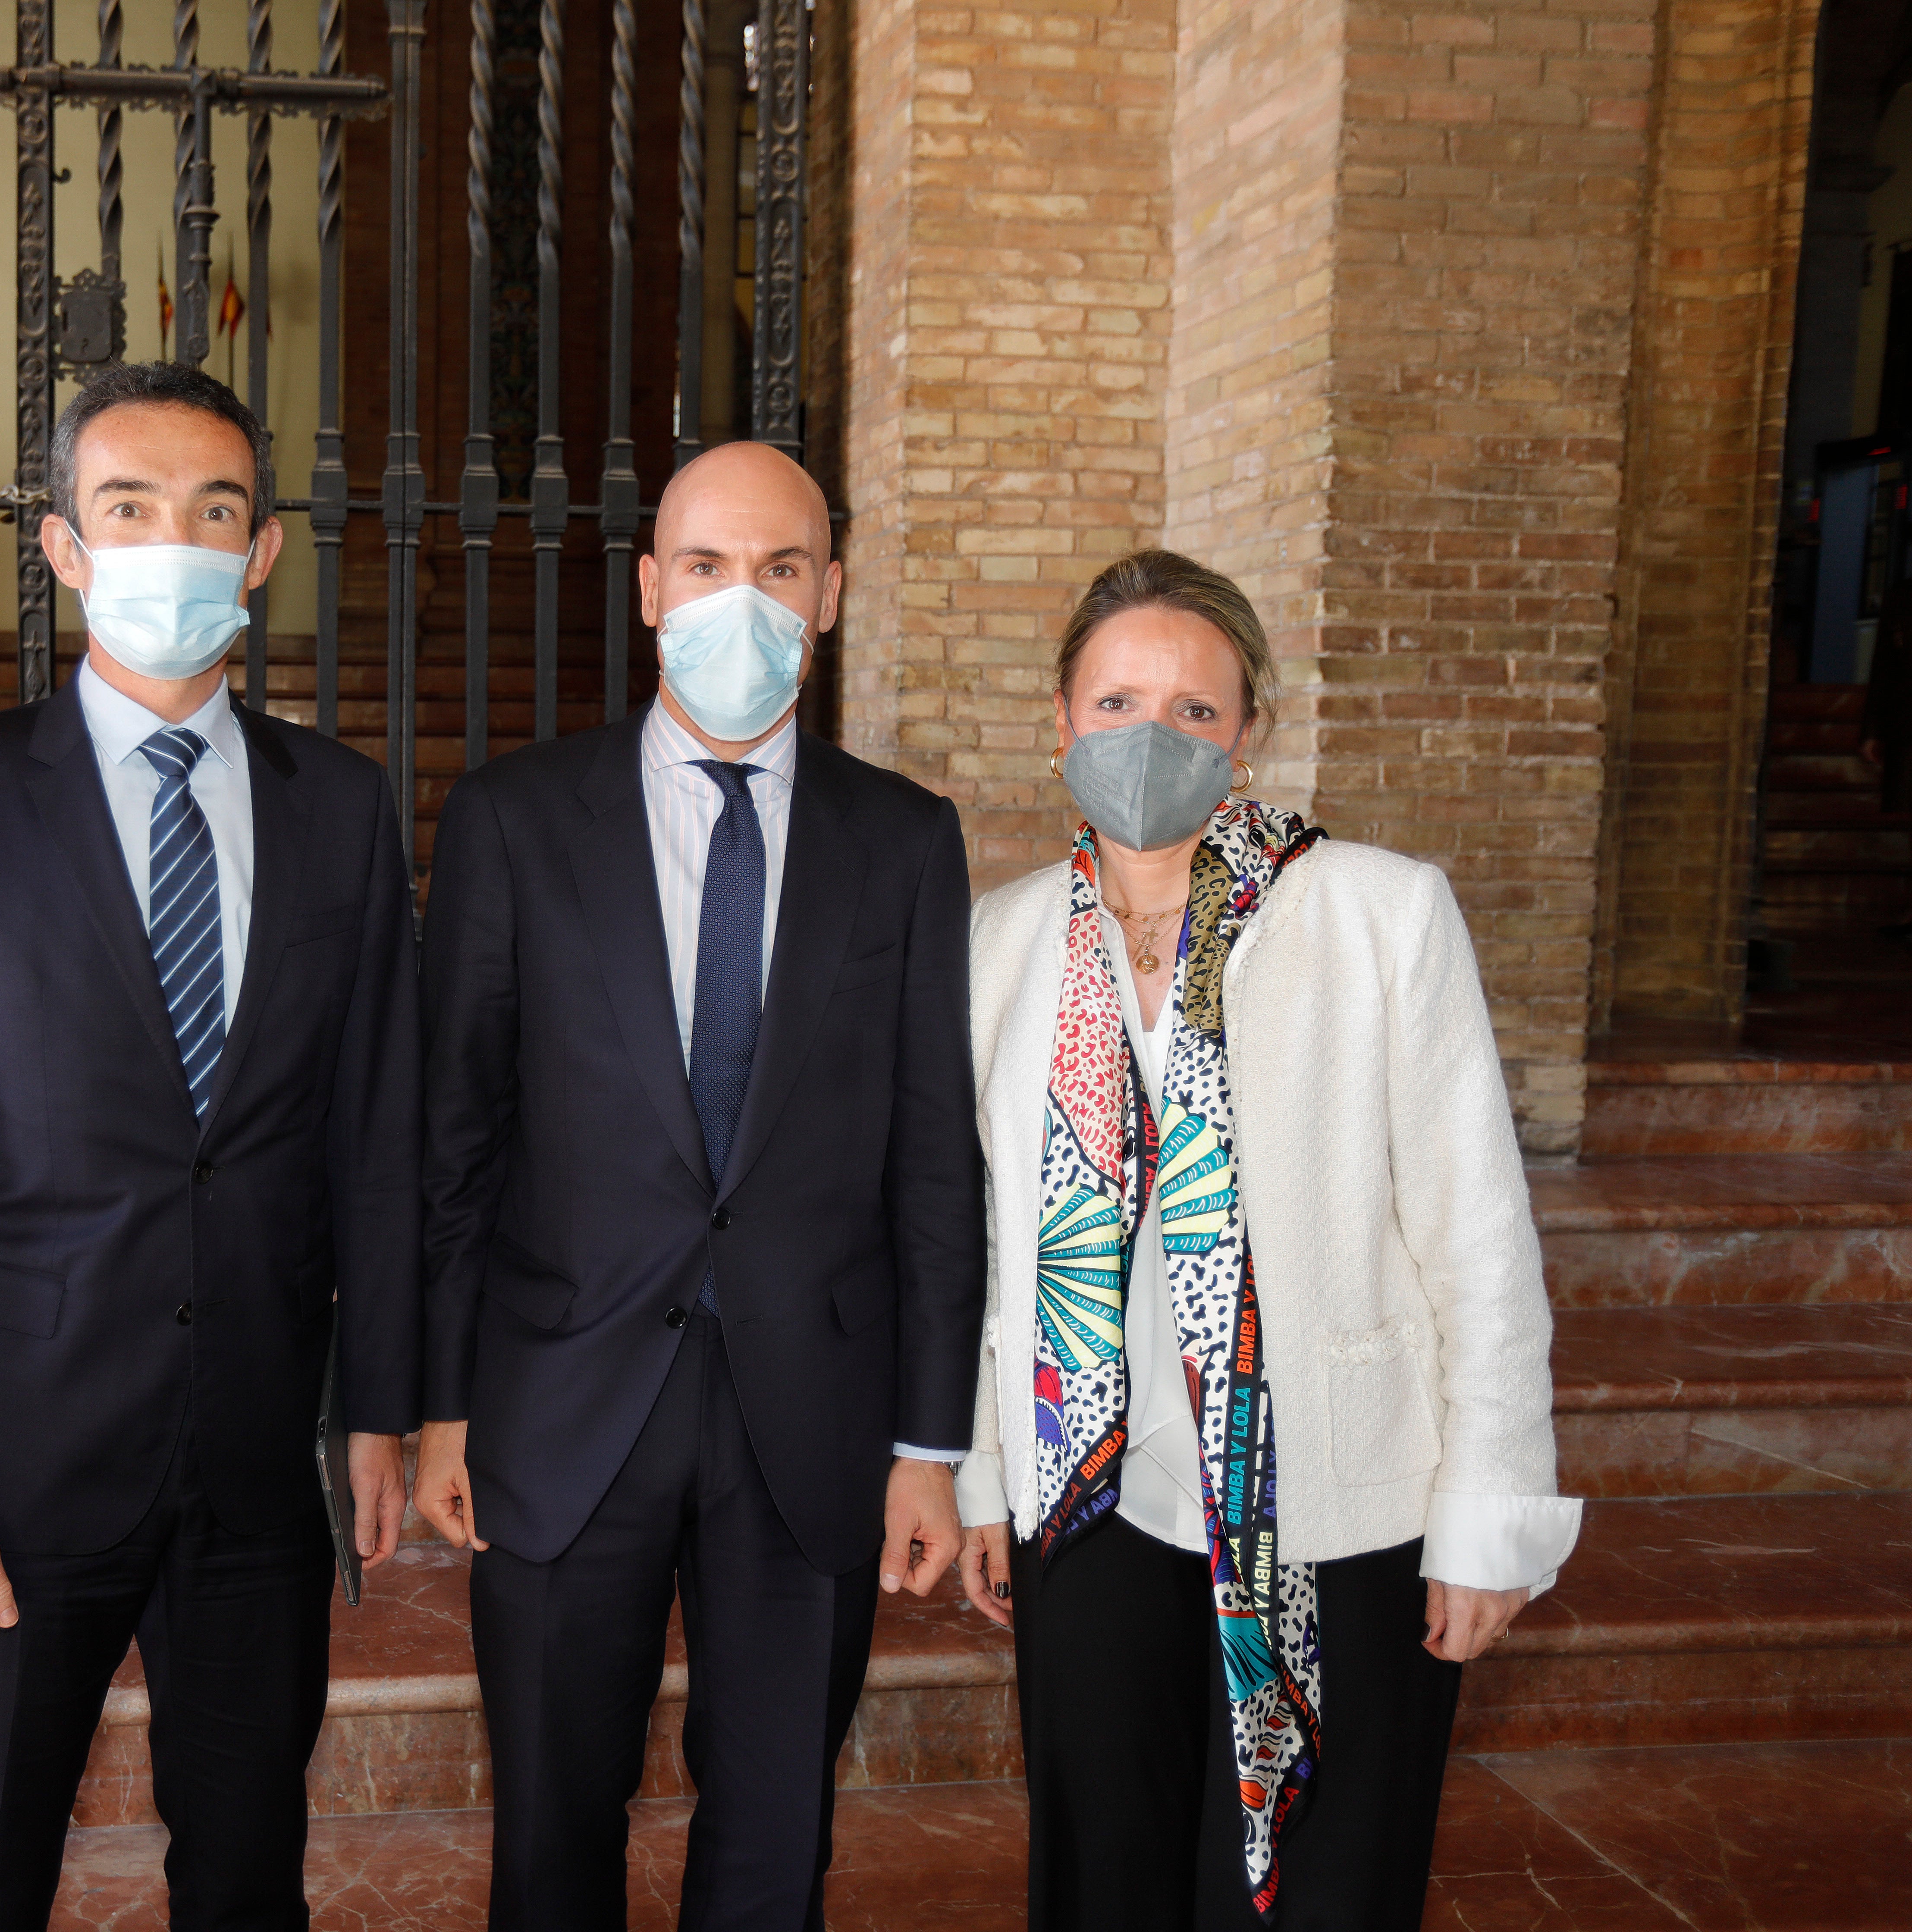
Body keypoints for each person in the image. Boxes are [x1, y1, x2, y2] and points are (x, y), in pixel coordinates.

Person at [0, 359, 421, 1931]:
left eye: (212, 511)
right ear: (65, 546)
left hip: (253, 1457)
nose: (177, 540)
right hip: (15, 1470)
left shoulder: (344, 809)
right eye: (131, 508)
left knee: (247, 1869)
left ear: (265, 550)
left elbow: (374, 1131)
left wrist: (380, 1409)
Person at [953, 549, 1583, 1930]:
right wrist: (988, 1474)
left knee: (1323, 1892)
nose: (1150, 738)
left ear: (1248, 730)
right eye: (1117, 702)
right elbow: (992, 1246)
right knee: (1105, 1873)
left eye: (1193, 709)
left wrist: (1492, 1512)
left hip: (1339, 1498)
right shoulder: (1000, 943)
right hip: (1092, 1494)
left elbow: (1477, 1233)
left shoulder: (1376, 911)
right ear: (1060, 722)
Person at [408, 439, 986, 1931]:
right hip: (558, 1397)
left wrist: (931, 1442)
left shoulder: (905, 839)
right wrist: (444, 1402)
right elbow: (457, 1136)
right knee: (550, 1818)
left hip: (816, 1412)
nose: (747, 599)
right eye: (712, 567)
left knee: (778, 1825)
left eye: (783, 569)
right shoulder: (516, 820)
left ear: (832, 596)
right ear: (653, 589)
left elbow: (934, 1159)